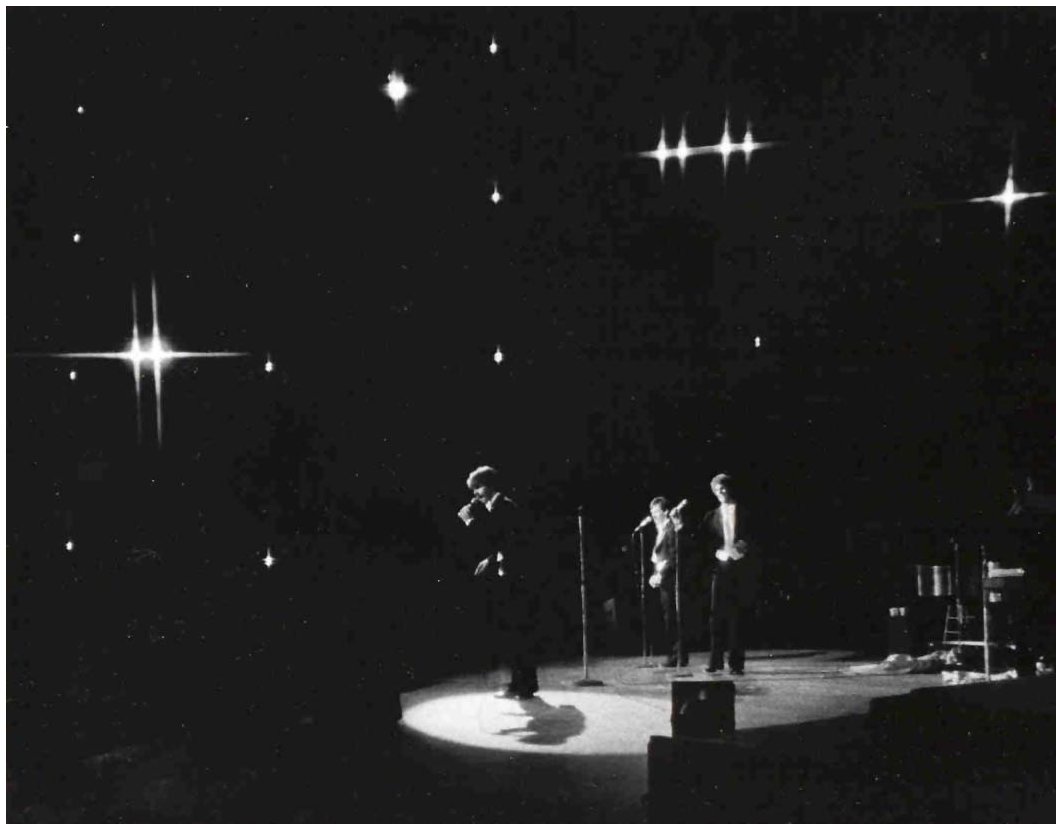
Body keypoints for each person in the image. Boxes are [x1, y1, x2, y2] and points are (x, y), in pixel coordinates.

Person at [458, 465, 539, 699]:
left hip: (519, 577)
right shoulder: (496, 508)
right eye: (473, 490)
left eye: (478, 487)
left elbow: (501, 539)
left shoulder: (505, 506)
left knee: (519, 631)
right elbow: (500, 542)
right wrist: (489, 559)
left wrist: (470, 522)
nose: (475, 494)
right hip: (509, 573)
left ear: (491, 485)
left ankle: (525, 685)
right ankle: (519, 683)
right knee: (513, 632)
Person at [675, 473, 760, 676]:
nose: (720, 492)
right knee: (716, 617)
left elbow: (755, 536)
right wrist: (681, 528)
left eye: (723, 487)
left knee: (737, 617)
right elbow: (701, 543)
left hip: (741, 569)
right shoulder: (710, 516)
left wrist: (744, 546)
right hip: (719, 570)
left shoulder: (746, 512)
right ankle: (715, 661)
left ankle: (736, 664)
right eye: (716, 489)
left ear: (729, 488)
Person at [646, 496, 686, 667]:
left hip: (671, 578)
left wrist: (661, 574)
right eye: (651, 511)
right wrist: (655, 574)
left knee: (673, 618)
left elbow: (673, 556)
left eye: (656, 511)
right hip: (663, 578)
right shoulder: (661, 530)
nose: (653, 515)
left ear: (665, 512)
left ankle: (679, 657)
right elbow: (659, 558)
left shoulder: (671, 529)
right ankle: (673, 655)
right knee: (667, 618)